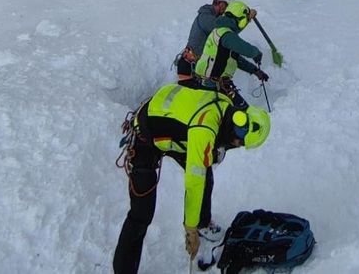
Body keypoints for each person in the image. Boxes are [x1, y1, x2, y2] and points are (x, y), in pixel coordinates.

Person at [113, 83, 270, 274]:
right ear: (238, 131)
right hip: (145, 137)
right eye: (240, 143)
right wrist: (190, 228)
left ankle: (203, 223)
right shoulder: (205, 130)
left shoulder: (226, 105)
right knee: (141, 214)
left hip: (171, 123)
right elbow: (194, 181)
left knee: (205, 173)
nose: (237, 146)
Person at [195, 0, 269, 102]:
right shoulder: (226, 35)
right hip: (214, 86)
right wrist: (256, 53)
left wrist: (255, 70)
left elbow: (235, 59)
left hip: (214, 84)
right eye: (246, 20)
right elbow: (246, 49)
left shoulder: (221, 31)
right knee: (240, 112)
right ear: (240, 19)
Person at [175, 0, 235, 83]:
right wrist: (243, 21)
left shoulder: (212, 19)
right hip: (189, 68)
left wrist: (254, 70)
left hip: (196, 68)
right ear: (223, 5)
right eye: (227, 8)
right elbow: (227, 35)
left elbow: (230, 47)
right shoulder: (206, 18)